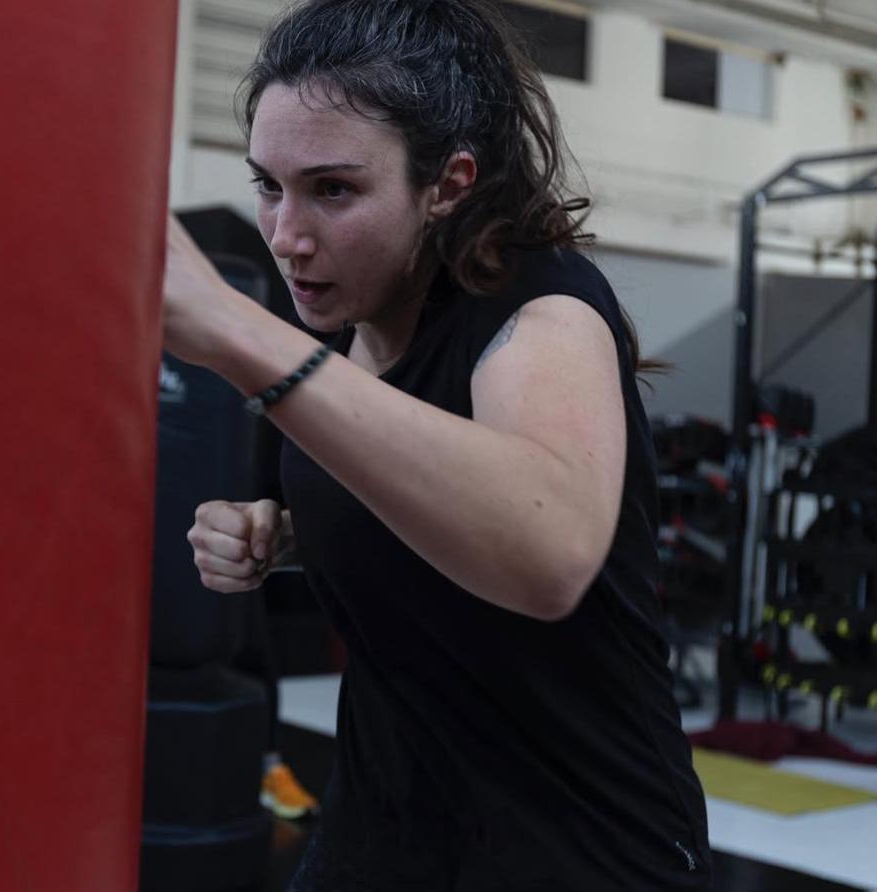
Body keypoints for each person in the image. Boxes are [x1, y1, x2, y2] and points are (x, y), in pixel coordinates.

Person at [162, 0, 712, 888]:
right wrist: (290, 529)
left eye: (333, 190)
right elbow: (427, 480)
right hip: (385, 834)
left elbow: (546, 553)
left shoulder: (545, 311)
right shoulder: (356, 319)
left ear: (448, 184)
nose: (287, 237)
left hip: (576, 848)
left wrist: (237, 331)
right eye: (268, 184)